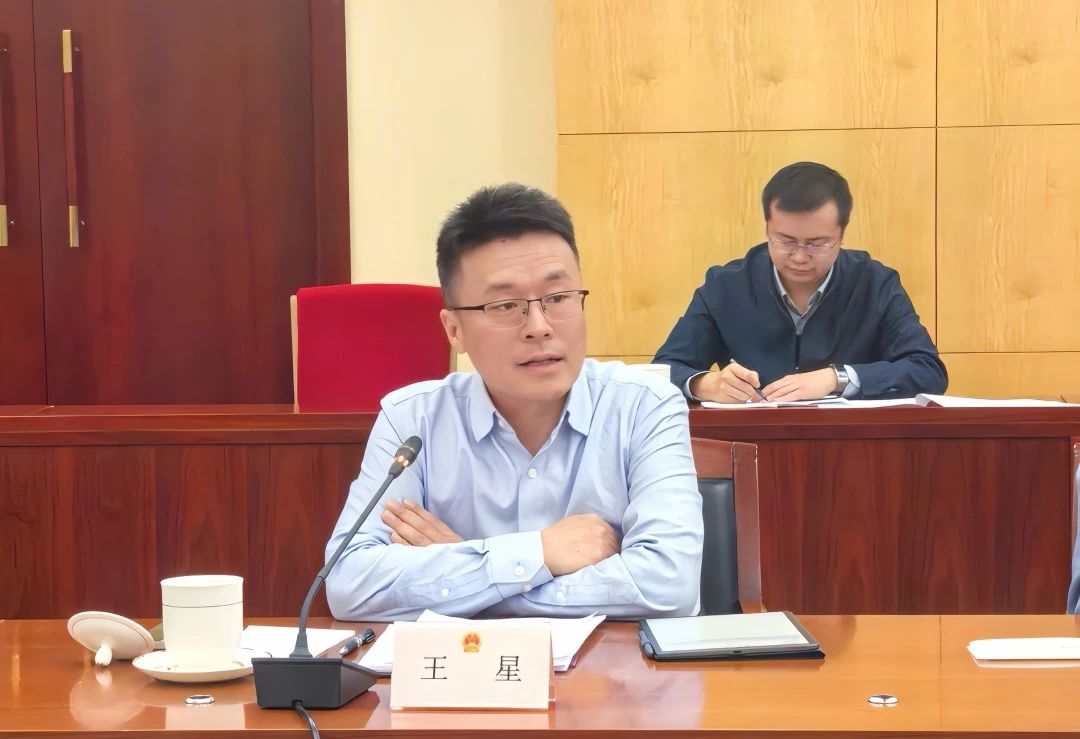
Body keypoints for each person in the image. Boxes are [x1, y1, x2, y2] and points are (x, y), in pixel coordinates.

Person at [325, 183, 703, 621]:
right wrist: (540, 552)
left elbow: (668, 586)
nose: (539, 326)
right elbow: (349, 583)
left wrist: (478, 570)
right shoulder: (412, 418)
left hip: (610, 664)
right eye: (505, 305)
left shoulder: (645, 406)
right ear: (454, 330)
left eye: (557, 298)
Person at [653, 162, 947, 403]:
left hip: (851, 444)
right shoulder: (726, 287)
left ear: (842, 235)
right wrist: (705, 383)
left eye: (817, 243)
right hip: (753, 442)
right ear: (767, 228)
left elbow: (928, 371)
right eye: (785, 241)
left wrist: (837, 378)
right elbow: (662, 372)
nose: (800, 256)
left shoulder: (874, 284)